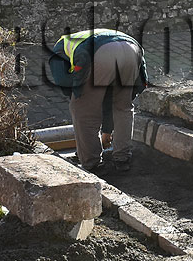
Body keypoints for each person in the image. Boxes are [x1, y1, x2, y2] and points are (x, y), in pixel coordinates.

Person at [48, 29, 147, 173]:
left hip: (100, 54)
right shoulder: (87, 38)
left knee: (83, 111)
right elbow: (120, 92)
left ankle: (91, 163)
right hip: (132, 49)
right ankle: (122, 158)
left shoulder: (59, 49)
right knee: (123, 107)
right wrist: (107, 130)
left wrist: (82, 100)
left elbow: (64, 82)